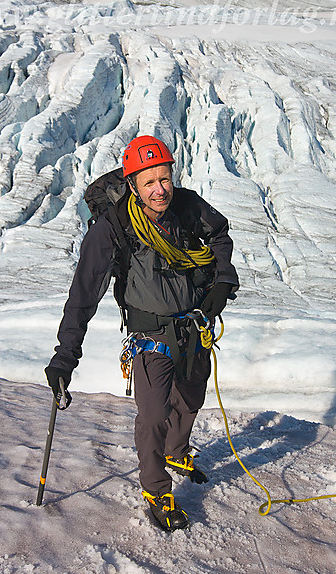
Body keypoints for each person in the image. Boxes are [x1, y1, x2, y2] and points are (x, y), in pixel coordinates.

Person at [45, 134, 239, 530]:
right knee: (152, 414)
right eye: (149, 182)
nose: (160, 190)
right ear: (132, 184)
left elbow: (220, 234)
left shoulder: (186, 206)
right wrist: (66, 355)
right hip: (150, 334)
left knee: (190, 398)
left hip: (194, 324)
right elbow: (83, 293)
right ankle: (157, 488)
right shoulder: (112, 227)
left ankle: (176, 451)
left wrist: (222, 280)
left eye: (164, 178)